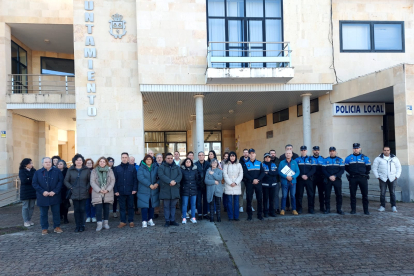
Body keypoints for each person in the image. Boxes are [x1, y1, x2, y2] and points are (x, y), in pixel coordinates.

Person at [32, 157, 63, 235]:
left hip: (54, 195)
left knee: (56, 212)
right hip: (43, 196)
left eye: (49, 162)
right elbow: (34, 183)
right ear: (42, 163)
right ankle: (44, 228)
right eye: (46, 162)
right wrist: (42, 191)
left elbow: (60, 182)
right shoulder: (38, 172)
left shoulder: (57, 171)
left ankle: (57, 227)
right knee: (43, 214)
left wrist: (55, 191)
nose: (48, 163)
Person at [64, 154, 91, 232]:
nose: (79, 162)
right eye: (77, 160)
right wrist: (71, 187)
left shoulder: (86, 170)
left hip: (84, 192)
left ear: (82, 161)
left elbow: (89, 180)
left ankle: (82, 225)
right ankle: (77, 225)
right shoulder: (70, 170)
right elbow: (66, 181)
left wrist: (86, 188)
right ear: (74, 161)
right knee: (76, 210)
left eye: (80, 160)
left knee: (82, 209)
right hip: (74, 193)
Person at [372, 146, 401, 213]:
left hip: (392, 178)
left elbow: (399, 167)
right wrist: (378, 176)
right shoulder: (378, 159)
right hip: (382, 178)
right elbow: (374, 168)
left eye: (387, 150)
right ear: (383, 151)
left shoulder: (394, 158)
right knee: (382, 193)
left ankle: (393, 206)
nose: (386, 151)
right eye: (385, 150)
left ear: (390, 151)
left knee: (392, 192)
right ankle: (382, 206)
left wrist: (396, 176)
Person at [345, 143, 371, 215]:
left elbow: (368, 168)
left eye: (357, 148)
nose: (356, 149)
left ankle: (366, 210)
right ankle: (353, 210)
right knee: (353, 195)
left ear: (360, 148)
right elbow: (346, 168)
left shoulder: (365, 158)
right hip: (353, 178)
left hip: (363, 178)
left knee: (365, 195)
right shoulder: (348, 158)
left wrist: (363, 173)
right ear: (353, 149)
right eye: (354, 148)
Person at [113, 152, 138, 228]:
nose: (124, 159)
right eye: (123, 157)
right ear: (121, 158)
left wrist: (134, 189)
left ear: (128, 158)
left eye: (125, 157)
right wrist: (116, 190)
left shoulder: (132, 168)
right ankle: (123, 221)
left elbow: (135, 180)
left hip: (130, 191)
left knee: (131, 206)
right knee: (122, 207)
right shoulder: (117, 168)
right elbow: (114, 181)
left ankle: (131, 221)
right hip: (120, 191)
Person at [90, 157, 115, 231]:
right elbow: (92, 182)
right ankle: (99, 224)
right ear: (98, 162)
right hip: (97, 193)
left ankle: (106, 223)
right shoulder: (94, 171)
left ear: (106, 163)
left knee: (106, 209)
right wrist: (99, 190)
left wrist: (107, 190)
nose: (102, 163)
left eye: (103, 161)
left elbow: (112, 181)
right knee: (98, 209)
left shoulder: (110, 170)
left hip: (107, 192)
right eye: (100, 161)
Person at [158, 153, 182, 227]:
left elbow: (180, 175)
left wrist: (175, 181)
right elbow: (161, 175)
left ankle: (172, 220)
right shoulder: (162, 167)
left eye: (171, 158)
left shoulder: (177, 167)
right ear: (165, 159)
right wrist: (169, 181)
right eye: (168, 158)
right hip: (166, 189)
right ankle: (167, 221)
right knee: (166, 206)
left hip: (174, 189)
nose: (170, 159)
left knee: (173, 206)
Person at [137, 155, 160, 228]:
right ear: (145, 160)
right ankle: (144, 221)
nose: (149, 160)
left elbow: (160, 177)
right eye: (147, 159)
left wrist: (157, 183)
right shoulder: (141, 168)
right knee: (144, 206)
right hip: (144, 190)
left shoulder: (155, 168)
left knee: (151, 205)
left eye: (150, 159)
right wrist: (149, 184)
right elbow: (140, 177)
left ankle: (150, 219)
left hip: (153, 190)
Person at [243, 148, 265, 221]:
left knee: (259, 199)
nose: (252, 155)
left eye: (253, 153)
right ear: (248, 155)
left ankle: (260, 215)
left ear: (255, 154)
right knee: (249, 199)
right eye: (250, 153)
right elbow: (245, 174)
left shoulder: (259, 163)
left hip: (258, 183)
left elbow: (263, 172)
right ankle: (249, 215)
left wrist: (257, 180)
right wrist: (253, 180)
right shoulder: (246, 164)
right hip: (250, 183)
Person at [322, 147, 345, 215]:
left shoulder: (340, 160)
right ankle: (327, 209)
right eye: (331, 151)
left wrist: (335, 176)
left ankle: (339, 209)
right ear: (329, 152)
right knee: (327, 195)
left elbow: (342, 170)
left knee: (338, 195)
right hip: (328, 180)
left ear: (335, 152)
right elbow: (323, 169)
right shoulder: (326, 160)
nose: (332, 152)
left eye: (333, 151)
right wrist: (329, 176)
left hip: (337, 179)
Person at [294, 146, 316, 214]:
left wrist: (307, 175)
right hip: (300, 179)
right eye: (302, 150)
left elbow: (313, 169)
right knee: (299, 195)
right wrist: (301, 175)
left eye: (304, 150)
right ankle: (299, 208)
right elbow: (295, 169)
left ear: (306, 151)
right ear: (300, 151)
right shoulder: (297, 160)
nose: (303, 151)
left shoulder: (311, 159)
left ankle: (311, 209)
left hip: (308, 179)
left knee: (310, 194)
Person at [278, 150, 300, 216]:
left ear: (292, 154)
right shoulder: (282, 162)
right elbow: (279, 172)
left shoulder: (294, 162)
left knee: (293, 196)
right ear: (285, 155)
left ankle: (294, 209)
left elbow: (298, 172)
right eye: (287, 153)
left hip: (293, 182)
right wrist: (286, 176)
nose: (288, 154)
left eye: (289, 153)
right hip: (284, 182)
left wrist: (292, 177)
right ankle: (282, 209)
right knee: (284, 196)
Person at [223, 152, 243, 221]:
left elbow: (241, 174)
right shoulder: (226, 165)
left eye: (233, 156)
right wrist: (230, 182)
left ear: (235, 157)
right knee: (229, 202)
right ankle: (230, 216)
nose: (232, 157)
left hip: (236, 185)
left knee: (236, 202)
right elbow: (225, 174)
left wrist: (236, 182)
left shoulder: (239, 164)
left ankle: (236, 216)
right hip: (229, 185)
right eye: (231, 156)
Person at [19, 158, 37, 227]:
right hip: (25, 191)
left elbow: (35, 179)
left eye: (32, 163)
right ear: (26, 164)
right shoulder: (22, 171)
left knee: (32, 206)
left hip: (33, 190)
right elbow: (24, 180)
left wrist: (29, 178)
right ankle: (25, 221)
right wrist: (30, 179)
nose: (31, 164)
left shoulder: (34, 170)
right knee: (25, 206)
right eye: (30, 163)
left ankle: (29, 219)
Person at [180, 158, 198, 224]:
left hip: (193, 190)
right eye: (187, 162)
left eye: (189, 162)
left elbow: (197, 179)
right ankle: (184, 217)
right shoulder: (182, 170)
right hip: (185, 190)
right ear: (184, 163)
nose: (188, 163)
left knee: (193, 205)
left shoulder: (194, 170)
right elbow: (181, 180)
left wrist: (195, 187)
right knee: (184, 204)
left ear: (191, 163)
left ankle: (193, 217)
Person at [194, 151, 210, 220]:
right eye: (199, 155)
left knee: (206, 200)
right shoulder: (195, 164)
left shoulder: (208, 164)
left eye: (202, 155)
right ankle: (200, 214)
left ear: (204, 156)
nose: (201, 156)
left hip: (206, 185)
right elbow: (194, 175)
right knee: (199, 200)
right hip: (198, 186)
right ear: (198, 156)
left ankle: (205, 213)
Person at [310, 146, 326, 213]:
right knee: (312, 194)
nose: (316, 151)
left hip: (321, 178)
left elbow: (325, 169)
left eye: (317, 150)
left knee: (321, 194)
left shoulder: (322, 159)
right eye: (315, 150)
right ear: (313, 151)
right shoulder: (310, 159)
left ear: (319, 151)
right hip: (313, 178)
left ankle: (322, 208)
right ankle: (311, 208)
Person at [262, 153, 278, 217]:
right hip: (265, 185)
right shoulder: (262, 165)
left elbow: (276, 172)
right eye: (266, 157)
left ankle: (272, 212)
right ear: (264, 158)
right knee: (265, 199)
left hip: (273, 185)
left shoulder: (273, 164)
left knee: (272, 199)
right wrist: (271, 174)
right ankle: (265, 212)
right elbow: (263, 174)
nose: (267, 158)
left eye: (269, 157)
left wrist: (268, 173)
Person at [85, 158, 96, 223]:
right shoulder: (83, 171)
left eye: (90, 163)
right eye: (88, 163)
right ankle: (88, 216)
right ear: (85, 164)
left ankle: (93, 216)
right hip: (86, 190)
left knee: (93, 204)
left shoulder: (95, 171)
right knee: (87, 204)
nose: (89, 164)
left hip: (93, 190)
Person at [238, 149, 250, 213]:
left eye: (247, 152)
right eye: (244, 152)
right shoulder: (240, 161)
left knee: (249, 194)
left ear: (248, 153)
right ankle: (241, 206)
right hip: (242, 179)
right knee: (241, 193)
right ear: (243, 153)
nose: (245, 153)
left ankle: (250, 206)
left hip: (249, 180)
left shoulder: (251, 160)